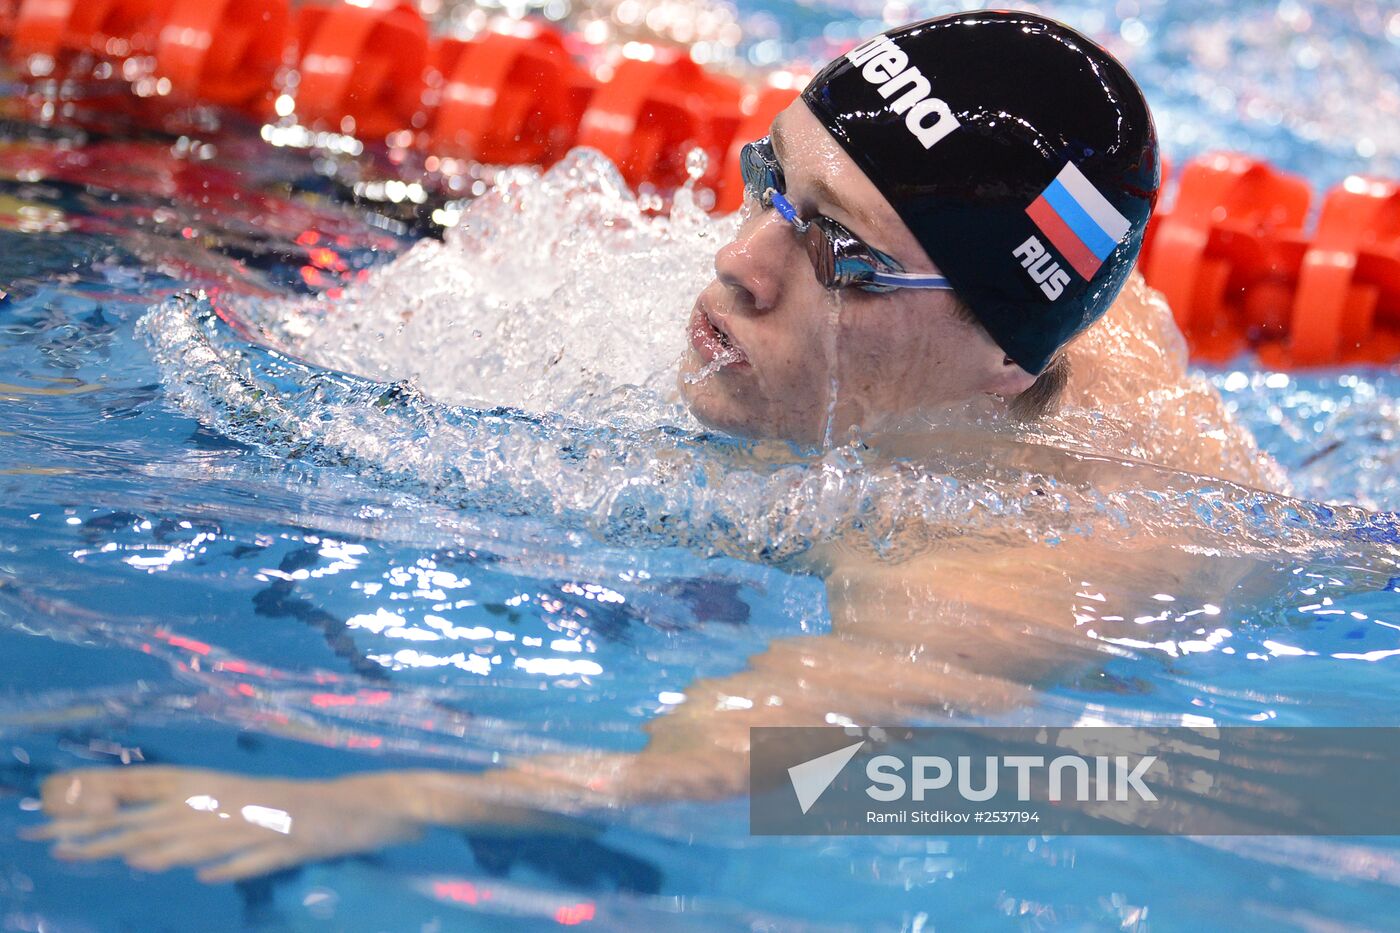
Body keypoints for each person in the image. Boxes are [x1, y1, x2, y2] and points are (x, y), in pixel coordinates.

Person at [22, 10, 1284, 882]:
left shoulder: (1001, 569)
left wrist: (370, 803)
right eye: (768, 181)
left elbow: (750, 768)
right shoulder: (1025, 318)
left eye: (838, 255)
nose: (738, 263)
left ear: (1003, 361)